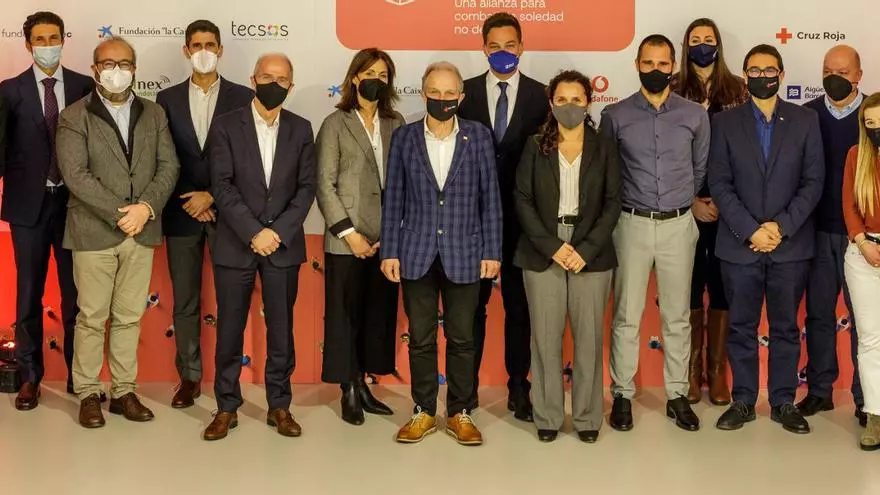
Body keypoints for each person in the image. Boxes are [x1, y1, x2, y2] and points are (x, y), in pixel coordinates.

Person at [56, 36, 179, 428]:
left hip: (141, 230)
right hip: (94, 231)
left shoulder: (154, 113)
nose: (116, 71)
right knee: (92, 317)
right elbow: (76, 175)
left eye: (124, 64)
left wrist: (146, 209)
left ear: (135, 69)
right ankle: (89, 393)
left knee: (128, 317)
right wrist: (121, 213)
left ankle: (124, 391)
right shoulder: (74, 115)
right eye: (108, 64)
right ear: (95, 70)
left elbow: (169, 166)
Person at [381, 61, 502, 446]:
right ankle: (423, 411)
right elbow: (393, 198)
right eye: (435, 92)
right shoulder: (405, 137)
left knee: (463, 338)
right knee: (421, 338)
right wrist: (389, 250)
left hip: (466, 251)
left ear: (461, 97)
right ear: (423, 93)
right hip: (415, 251)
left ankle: (460, 412)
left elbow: (490, 199)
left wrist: (493, 251)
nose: (442, 99)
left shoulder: (478, 137)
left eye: (450, 93)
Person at [710, 44, 824, 434]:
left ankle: (782, 401)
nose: (763, 76)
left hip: (789, 245)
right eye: (755, 71)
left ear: (782, 74)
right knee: (740, 326)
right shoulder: (725, 123)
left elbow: (813, 181)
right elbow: (719, 183)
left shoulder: (806, 120)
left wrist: (780, 228)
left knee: (786, 328)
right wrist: (751, 230)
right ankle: (743, 400)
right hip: (739, 245)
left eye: (769, 70)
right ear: (745, 76)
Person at [203, 53, 316, 441]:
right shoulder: (225, 125)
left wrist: (276, 232)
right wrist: (254, 232)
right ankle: (226, 407)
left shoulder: (301, 128)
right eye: (267, 77)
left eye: (281, 79)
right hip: (236, 242)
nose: (274, 84)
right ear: (253, 80)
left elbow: (306, 189)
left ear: (291, 86)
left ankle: (280, 405)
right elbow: (222, 185)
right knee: (229, 329)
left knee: (281, 330)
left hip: (282, 246)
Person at [600, 34, 709, 432]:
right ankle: (622, 395)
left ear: (673, 67)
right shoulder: (615, 115)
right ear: (637, 64)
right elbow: (607, 172)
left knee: (677, 316)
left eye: (663, 64)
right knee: (627, 315)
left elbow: (699, 168)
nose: (656, 70)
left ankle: (677, 395)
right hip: (631, 224)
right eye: (649, 63)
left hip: (679, 225)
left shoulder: (695, 115)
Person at [514, 70, 620, 443]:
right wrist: (553, 246)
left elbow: (613, 203)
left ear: (589, 102)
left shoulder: (604, 146)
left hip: (591, 249)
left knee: (589, 338)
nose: (569, 106)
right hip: (544, 249)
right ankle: (547, 415)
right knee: (545, 338)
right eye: (562, 100)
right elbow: (522, 200)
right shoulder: (534, 145)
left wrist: (584, 250)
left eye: (577, 99)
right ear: (551, 103)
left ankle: (588, 418)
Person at [0, 11, 96, 410]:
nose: (47, 45)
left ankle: (80, 378)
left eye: (53, 37)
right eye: (39, 39)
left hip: (77, 206)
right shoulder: (8, 91)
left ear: (63, 39)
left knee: (78, 296)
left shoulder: (85, 86)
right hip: (28, 208)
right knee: (28, 296)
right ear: (27, 44)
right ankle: (29, 378)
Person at [156, 19, 253, 409]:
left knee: (231, 300)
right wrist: (191, 200)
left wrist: (212, 196)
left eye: (210, 44)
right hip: (181, 212)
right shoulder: (166, 99)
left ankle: (228, 379)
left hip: (227, 214)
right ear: (186, 51)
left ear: (221, 50)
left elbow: (248, 159)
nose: (203, 51)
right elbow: (163, 157)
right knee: (185, 301)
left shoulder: (243, 96)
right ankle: (189, 377)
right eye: (196, 45)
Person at [458, 12, 549, 422]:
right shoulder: (463, 93)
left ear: (522, 47)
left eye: (509, 45)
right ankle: (466, 390)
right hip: (470, 222)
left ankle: (518, 387)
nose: (502, 53)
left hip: (522, 223)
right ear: (483, 48)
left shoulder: (541, 96)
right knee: (469, 309)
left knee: (520, 309)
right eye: (494, 46)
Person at [316, 48, 404, 425]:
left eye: (383, 75)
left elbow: (404, 181)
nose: (376, 81)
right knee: (344, 316)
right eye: (370, 74)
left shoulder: (396, 122)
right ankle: (348, 388)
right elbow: (324, 184)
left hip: (385, 239)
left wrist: (393, 233)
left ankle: (365, 384)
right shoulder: (335, 123)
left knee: (376, 316)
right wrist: (349, 233)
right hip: (345, 239)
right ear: (354, 78)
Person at [671, 18, 749, 406]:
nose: (702, 46)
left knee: (721, 284)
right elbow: (665, 155)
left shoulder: (737, 89)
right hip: (682, 205)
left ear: (719, 44)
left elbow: (747, 150)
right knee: (687, 285)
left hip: (728, 206)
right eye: (695, 40)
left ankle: (716, 371)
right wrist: (691, 200)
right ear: (685, 46)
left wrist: (723, 201)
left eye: (709, 39)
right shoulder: (672, 88)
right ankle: (690, 369)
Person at [800, 45, 866, 427]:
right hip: (818, 231)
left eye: (842, 71)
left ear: (858, 75)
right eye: (827, 70)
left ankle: (865, 397)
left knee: (865, 320)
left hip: (862, 237)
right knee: (819, 314)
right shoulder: (807, 115)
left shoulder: (872, 116)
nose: (834, 77)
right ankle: (820, 391)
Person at [842, 92, 880, 450]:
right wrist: (862, 242)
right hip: (863, 252)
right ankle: (875, 416)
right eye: (870, 124)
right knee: (869, 340)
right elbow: (850, 206)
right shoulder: (857, 155)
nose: (876, 129)